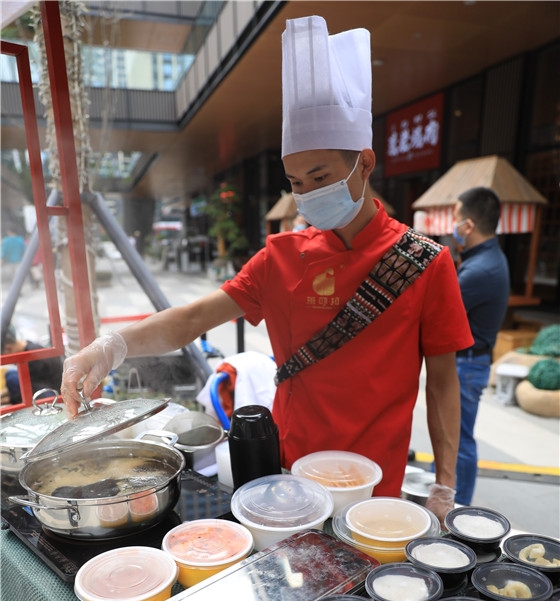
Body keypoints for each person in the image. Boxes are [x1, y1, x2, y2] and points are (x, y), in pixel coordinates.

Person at [61, 15, 473, 524]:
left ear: (364, 162)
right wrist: (109, 347)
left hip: (375, 480)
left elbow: (443, 383)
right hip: (289, 474)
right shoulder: (282, 256)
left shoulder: (424, 262)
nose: (306, 194)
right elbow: (190, 320)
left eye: (320, 176)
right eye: (296, 181)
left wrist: (445, 482)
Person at [452, 187, 510, 505]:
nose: (454, 226)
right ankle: (449, 497)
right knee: (455, 437)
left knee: (458, 440)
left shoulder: (479, 270)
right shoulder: (488, 258)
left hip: (466, 364)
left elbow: (441, 314)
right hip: (472, 361)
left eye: (456, 219)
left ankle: (457, 507)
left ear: (469, 226)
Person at [1, 324, 64, 405]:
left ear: (8, 348)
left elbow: (27, 391)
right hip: (41, 381)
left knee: (12, 379)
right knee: (10, 374)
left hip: (52, 392)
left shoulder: (33, 362)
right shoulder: (28, 346)